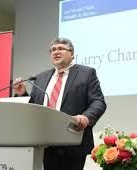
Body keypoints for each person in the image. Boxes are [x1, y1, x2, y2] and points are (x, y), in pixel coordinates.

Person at [13, 38, 106, 170]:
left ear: (72, 53)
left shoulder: (86, 73)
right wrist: (22, 94)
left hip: (72, 140)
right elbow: (34, 107)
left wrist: (86, 117)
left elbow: (98, 102)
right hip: (44, 143)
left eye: (61, 48)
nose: (56, 52)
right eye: (53, 50)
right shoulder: (41, 77)